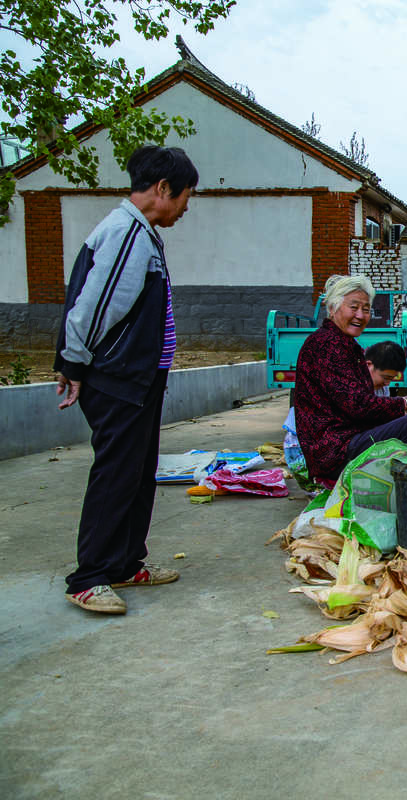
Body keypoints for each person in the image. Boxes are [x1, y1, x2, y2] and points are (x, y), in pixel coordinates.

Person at [54, 145, 198, 615]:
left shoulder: (143, 234)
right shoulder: (124, 234)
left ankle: (124, 563)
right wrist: (72, 363)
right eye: (184, 197)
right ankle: (89, 576)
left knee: (137, 474)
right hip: (116, 378)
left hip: (139, 380)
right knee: (115, 475)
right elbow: (93, 309)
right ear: (162, 189)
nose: (185, 207)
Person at [294, 275, 407, 486]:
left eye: (366, 309)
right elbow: (356, 405)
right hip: (334, 450)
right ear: (333, 309)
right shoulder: (326, 345)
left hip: (349, 438)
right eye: (353, 307)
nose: (360, 315)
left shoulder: (345, 344)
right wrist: (404, 403)